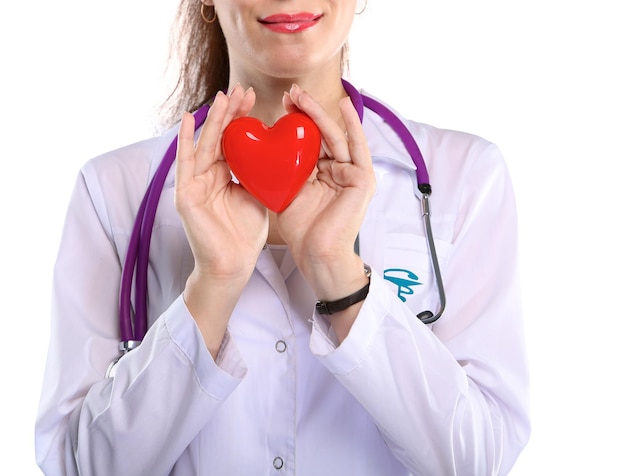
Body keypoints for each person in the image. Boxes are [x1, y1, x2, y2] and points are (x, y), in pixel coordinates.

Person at [35, 0, 530, 474]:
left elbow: (477, 459)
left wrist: (342, 279)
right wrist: (213, 287)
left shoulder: (465, 178)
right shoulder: (112, 191)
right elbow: (78, 465)